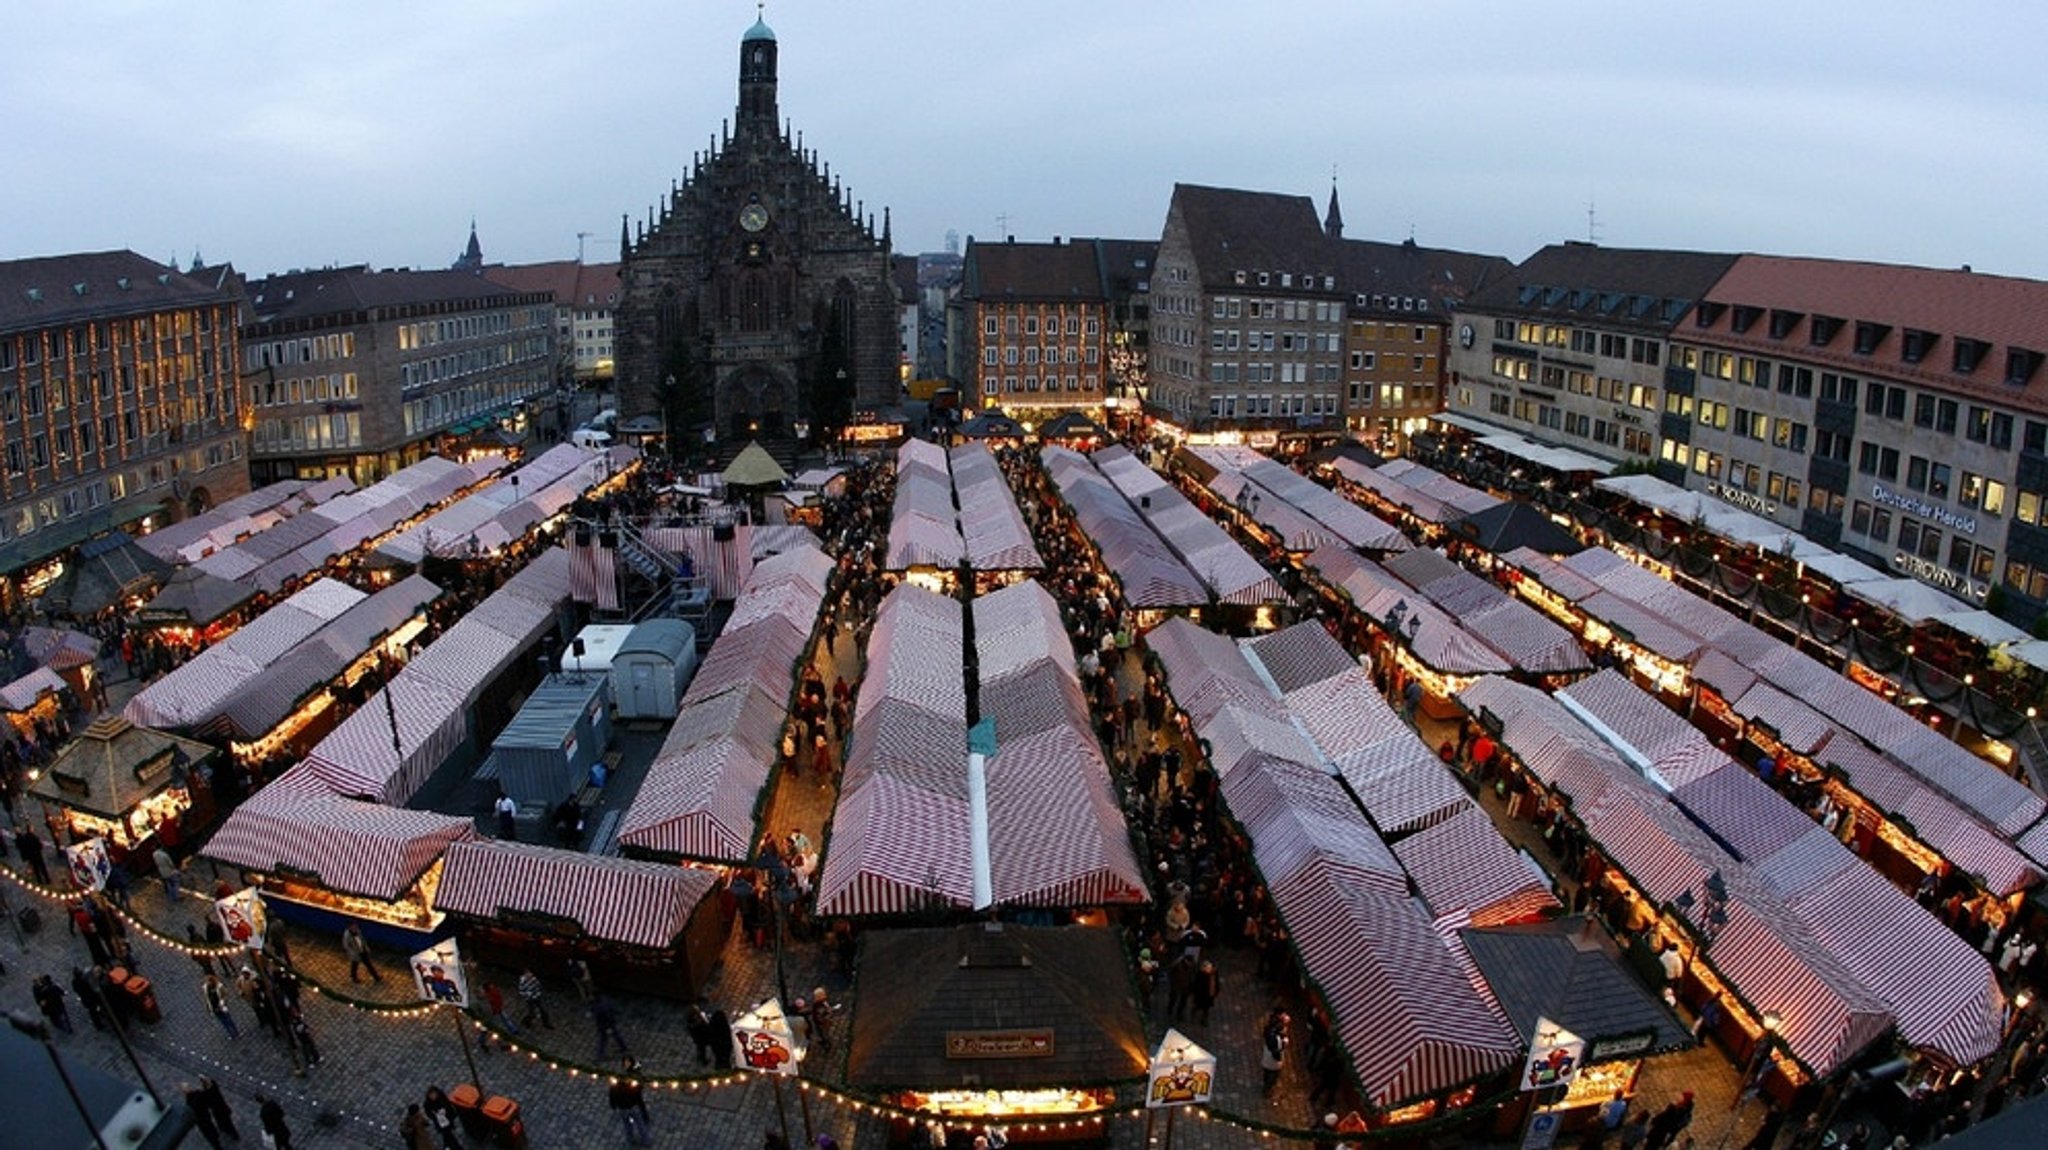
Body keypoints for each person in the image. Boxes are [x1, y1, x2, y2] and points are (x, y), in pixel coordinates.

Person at [610, 1055, 653, 1146]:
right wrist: (613, 1104)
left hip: (632, 1106)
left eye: (628, 1062)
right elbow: (612, 1093)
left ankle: (645, 1141)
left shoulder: (631, 1077)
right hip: (624, 1107)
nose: (626, 1064)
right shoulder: (621, 1080)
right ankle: (633, 1140)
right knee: (629, 1125)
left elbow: (638, 1092)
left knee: (639, 1124)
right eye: (625, 1062)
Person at [1261, 1009, 1290, 1095]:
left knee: (1266, 1072)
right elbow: (1277, 1052)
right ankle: (1267, 1089)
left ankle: (1265, 1083)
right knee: (1273, 1076)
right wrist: (1284, 1045)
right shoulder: (1278, 1040)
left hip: (1266, 1056)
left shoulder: (1269, 1032)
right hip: (1272, 1061)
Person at [204, 972, 239, 1039]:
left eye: (209, 981)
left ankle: (236, 1032)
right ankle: (231, 1034)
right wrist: (209, 1007)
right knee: (223, 1022)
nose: (208, 983)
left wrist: (223, 1002)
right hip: (214, 1007)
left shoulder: (219, 986)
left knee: (228, 1019)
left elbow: (225, 994)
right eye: (207, 982)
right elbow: (207, 998)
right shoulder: (206, 988)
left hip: (221, 1006)